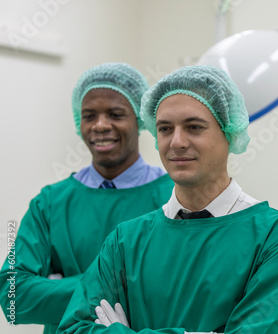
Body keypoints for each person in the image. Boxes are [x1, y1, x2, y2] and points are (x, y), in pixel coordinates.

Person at [57, 65, 278, 334]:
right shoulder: (126, 241)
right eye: (165, 129)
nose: (176, 142)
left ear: (229, 131)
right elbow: (73, 329)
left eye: (193, 127)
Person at [0, 63, 175, 334]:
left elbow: (173, 294)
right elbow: (13, 298)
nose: (101, 125)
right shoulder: (50, 203)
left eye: (115, 114)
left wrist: (60, 287)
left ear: (139, 119)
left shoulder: (173, 196)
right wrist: (124, 286)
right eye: (89, 115)